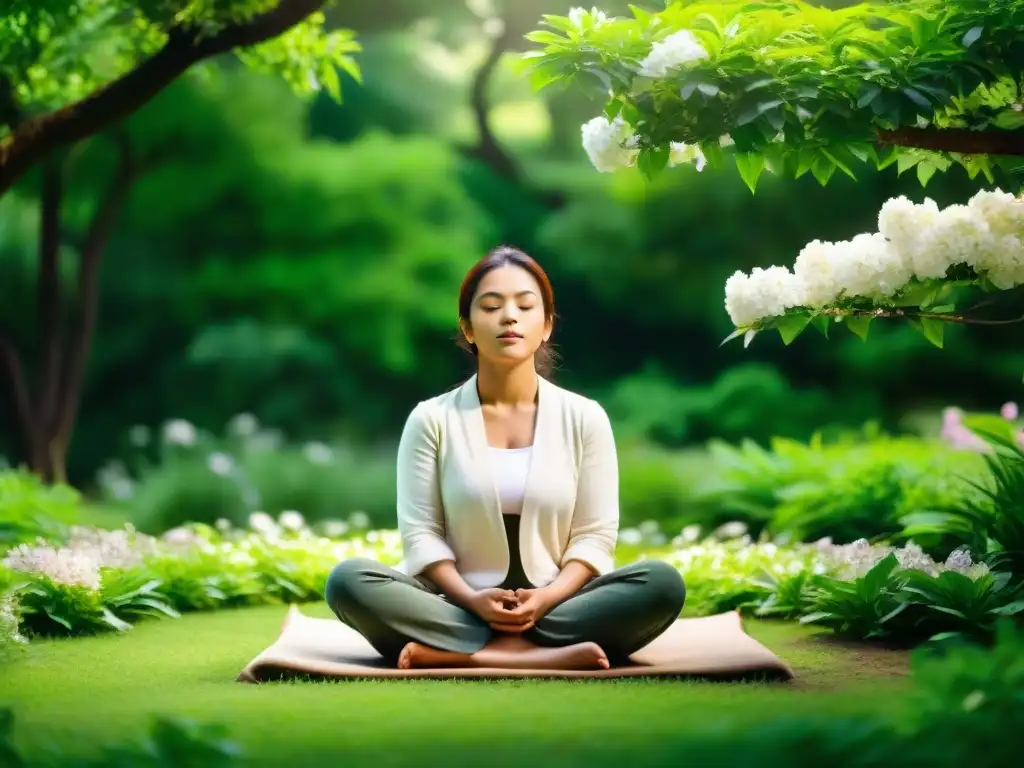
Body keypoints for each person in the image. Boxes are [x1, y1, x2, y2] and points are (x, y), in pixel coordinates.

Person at [323, 245, 686, 670]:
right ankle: (539, 656)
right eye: (491, 306)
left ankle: (466, 655)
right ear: (468, 329)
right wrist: (472, 600)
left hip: (558, 607)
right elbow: (421, 535)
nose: (509, 316)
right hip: (454, 606)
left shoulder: (585, 417)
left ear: (546, 325)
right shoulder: (432, 418)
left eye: (525, 306)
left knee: (661, 584)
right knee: (348, 581)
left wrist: (547, 597)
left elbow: (594, 535)